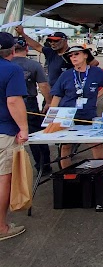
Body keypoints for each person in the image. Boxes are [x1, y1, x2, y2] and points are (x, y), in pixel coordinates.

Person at [49, 46, 103, 167]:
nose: (73, 57)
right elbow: (56, 96)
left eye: (76, 54)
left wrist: (97, 96)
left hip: (88, 114)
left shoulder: (96, 72)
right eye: (71, 56)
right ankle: (66, 175)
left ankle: (102, 172)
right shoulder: (66, 75)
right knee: (66, 146)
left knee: (95, 143)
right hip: (67, 115)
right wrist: (52, 117)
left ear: (85, 55)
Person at [1, 32, 29, 241]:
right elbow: (13, 101)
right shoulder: (12, 69)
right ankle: (1, 227)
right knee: (3, 179)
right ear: (12, 50)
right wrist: (23, 128)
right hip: (4, 131)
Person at [11, 38, 52, 176]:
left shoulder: (5, 64)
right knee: (35, 135)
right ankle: (43, 165)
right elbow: (43, 85)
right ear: (27, 49)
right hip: (29, 101)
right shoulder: (34, 65)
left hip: (7, 101)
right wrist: (48, 101)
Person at [15, 28, 98, 86]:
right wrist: (22, 34)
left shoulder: (73, 53)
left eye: (56, 41)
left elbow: (94, 63)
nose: (52, 43)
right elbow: (37, 46)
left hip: (68, 91)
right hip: (52, 89)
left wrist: (79, 74)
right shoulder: (50, 52)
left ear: (65, 41)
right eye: (50, 41)